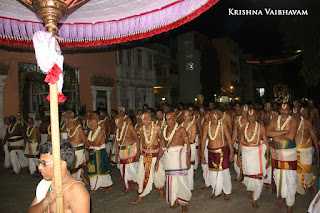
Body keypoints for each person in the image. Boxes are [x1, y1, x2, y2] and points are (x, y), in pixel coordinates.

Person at [28, 140, 90, 213]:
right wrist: (47, 200)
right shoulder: (45, 183)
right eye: (40, 162)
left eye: (44, 163)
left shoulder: (76, 190)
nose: (39, 167)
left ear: (61, 164)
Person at [155, 112, 191, 212]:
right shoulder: (164, 130)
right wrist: (158, 160)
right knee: (171, 181)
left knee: (181, 181)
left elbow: (187, 145)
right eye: (166, 118)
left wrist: (188, 160)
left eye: (170, 118)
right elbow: (162, 146)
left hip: (179, 159)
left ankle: (184, 204)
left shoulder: (181, 129)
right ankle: (175, 201)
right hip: (169, 159)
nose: (168, 120)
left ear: (175, 119)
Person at [266, 103, 298, 213]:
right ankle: (283, 197)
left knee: (290, 179)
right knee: (278, 177)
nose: (284, 111)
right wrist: (284, 132)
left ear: (289, 111)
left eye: (286, 109)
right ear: (280, 110)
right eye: (282, 109)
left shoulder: (293, 121)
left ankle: (290, 203)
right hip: (277, 154)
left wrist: (276, 136)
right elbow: (267, 132)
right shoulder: (274, 120)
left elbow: (291, 136)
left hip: (289, 155)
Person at [237, 109, 269, 208]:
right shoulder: (243, 128)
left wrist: (268, 158)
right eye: (249, 116)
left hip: (256, 155)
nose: (250, 117)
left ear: (256, 116)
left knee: (258, 178)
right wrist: (238, 156)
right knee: (249, 176)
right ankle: (252, 192)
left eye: (252, 115)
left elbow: (266, 143)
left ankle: (255, 199)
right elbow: (241, 143)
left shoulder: (261, 128)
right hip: (247, 155)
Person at [132, 112, 165, 204]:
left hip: (154, 155)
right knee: (141, 174)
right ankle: (140, 196)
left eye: (144, 119)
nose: (142, 121)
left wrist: (158, 158)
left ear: (150, 119)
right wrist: (139, 153)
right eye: (141, 119)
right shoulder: (140, 129)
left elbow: (162, 140)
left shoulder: (157, 128)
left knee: (157, 175)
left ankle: (161, 192)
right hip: (145, 155)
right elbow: (141, 141)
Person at [201, 111, 234, 201]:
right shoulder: (206, 127)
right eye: (213, 119)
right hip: (211, 152)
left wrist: (231, 152)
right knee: (213, 173)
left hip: (222, 152)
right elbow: (203, 140)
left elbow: (229, 139)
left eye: (217, 118)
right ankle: (216, 191)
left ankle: (227, 192)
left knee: (225, 172)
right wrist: (202, 153)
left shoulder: (223, 125)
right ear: (210, 119)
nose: (216, 120)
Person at [292, 107, 319, 195]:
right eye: (293, 113)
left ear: (300, 113)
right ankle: (299, 188)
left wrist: (317, 149)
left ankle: (309, 184)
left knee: (307, 169)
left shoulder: (307, 123)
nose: (295, 115)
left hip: (306, 150)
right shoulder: (290, 123)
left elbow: (314, 136)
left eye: (297, 113)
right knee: (297, 170)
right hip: (295, 150)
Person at [86, 118, 113, 194]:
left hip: (99, 153)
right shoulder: (90, 132)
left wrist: (89, 142)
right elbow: (86, 142)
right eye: (89, 125)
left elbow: (96, 143)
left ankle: (94, 188)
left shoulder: (101, 132)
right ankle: (107, 185)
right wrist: (90, 143)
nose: (89, 127)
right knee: (94, 170)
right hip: (92, 153)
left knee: (100, 171)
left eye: (91, 125)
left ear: (96, 124)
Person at [115, 116, 139, 194]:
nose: (117, 125)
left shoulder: (130, 127)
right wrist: (116, 155)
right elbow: (117, 143)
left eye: (118, 123)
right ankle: (127, 187)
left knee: (132, 169)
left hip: (131, 150)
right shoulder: (117, 130)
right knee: (123, 170)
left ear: (122, 122)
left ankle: (137, 185)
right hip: (122, 151)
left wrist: (138, 152)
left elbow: (137, 139)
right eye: (115, 123)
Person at [65, 118, 88, 185]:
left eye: (68, 123)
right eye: (66, 124)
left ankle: (77, 182)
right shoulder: (69, 130)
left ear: (72, 123)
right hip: (72, 151)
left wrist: (85, 150)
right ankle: (82, 180)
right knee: (75, 167)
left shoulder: (79, 129)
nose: (67, 125)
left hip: (79, 150)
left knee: (76, 167)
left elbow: (84, 139)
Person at [231, 105, 249, 186]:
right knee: (236, 163)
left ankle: (245, 180)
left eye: (246, 111)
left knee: (245, 163)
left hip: (246, 145)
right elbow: (235, 132)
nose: (245, 113)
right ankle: (240, 176)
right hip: (237, 143)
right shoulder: (237, 120)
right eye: (243, 111)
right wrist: (231, 145)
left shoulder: (251, 120)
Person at [180, 110, 197, 191]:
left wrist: (184, 138)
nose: (185, 118)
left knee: (189, 166)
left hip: (190, 147)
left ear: (191, 117)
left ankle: (190, 187)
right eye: (184, 116)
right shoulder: (181, 125)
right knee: (182, 166)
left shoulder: (193, 126)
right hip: (182, 148)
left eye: (187, 116)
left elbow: (192, 139)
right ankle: (184, 185)